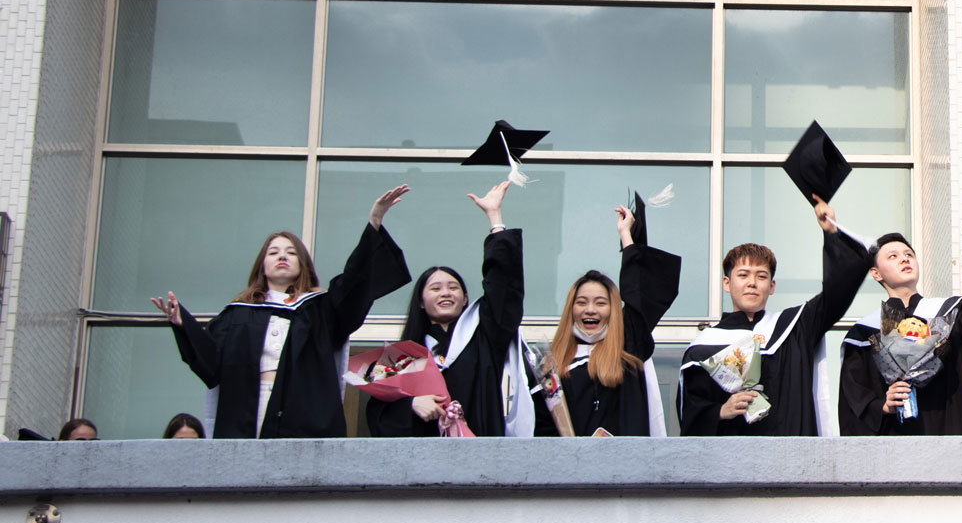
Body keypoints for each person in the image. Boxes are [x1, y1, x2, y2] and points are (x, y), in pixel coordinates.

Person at [152, 187, 412, 439]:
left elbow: (353, 284)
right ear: (262, 265)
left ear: (302, 265)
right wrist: (183, 324)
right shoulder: (238, 313)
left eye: (290, 253)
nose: (282, 257)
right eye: (273, 252)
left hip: (303, 410)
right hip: (249, 406)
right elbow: (210, 363)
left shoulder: (319, 307)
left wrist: (374, 222)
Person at [679, 195, 874, 437]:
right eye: (743, 275)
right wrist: (720, 411)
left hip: (791, 463)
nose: (752, 283)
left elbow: (838, 293)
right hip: (729, 465)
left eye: (761, 276)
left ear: (771, 287)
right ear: (727, 283)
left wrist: (831, 232)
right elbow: (690, 414)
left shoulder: (793, 327)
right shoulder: (703, 347)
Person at [366, 180, 533, 439]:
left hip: (481, 455)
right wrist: (410, 405)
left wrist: (494, 218)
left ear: (465, 299)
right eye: (435, 288)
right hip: (423, 464)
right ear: (420, 302)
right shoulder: (402, 355)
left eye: (453, 287)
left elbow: (504, 289)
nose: (445, 292)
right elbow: (377, 412)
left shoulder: (483, 337)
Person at [533, 203, 681, 437]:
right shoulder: (553, 366)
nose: (590, 310)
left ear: (614, 310)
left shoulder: (628, 351)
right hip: (569, 469)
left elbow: (637, 299)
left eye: (601, 303)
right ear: (570, 309)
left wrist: (626, 237)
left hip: (623, 468)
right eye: (581, 302)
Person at [838, 228, 962, 436]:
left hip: (949, 433)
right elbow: (854, 396)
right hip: (893, 445)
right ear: (876, 273)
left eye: (909, 255)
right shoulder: (864, 333)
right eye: (893, 256)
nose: (904, 260)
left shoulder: (951, 312)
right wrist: (884, 405)